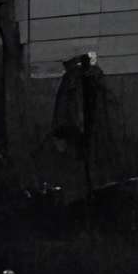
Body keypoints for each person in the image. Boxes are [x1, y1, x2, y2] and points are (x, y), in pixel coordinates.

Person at [51, 48, 110, 195]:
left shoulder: (94, 77)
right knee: (79, 165)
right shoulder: (71, 80)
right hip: (76, 129)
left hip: (88, 127)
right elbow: (64, 106)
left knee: (90, 162)